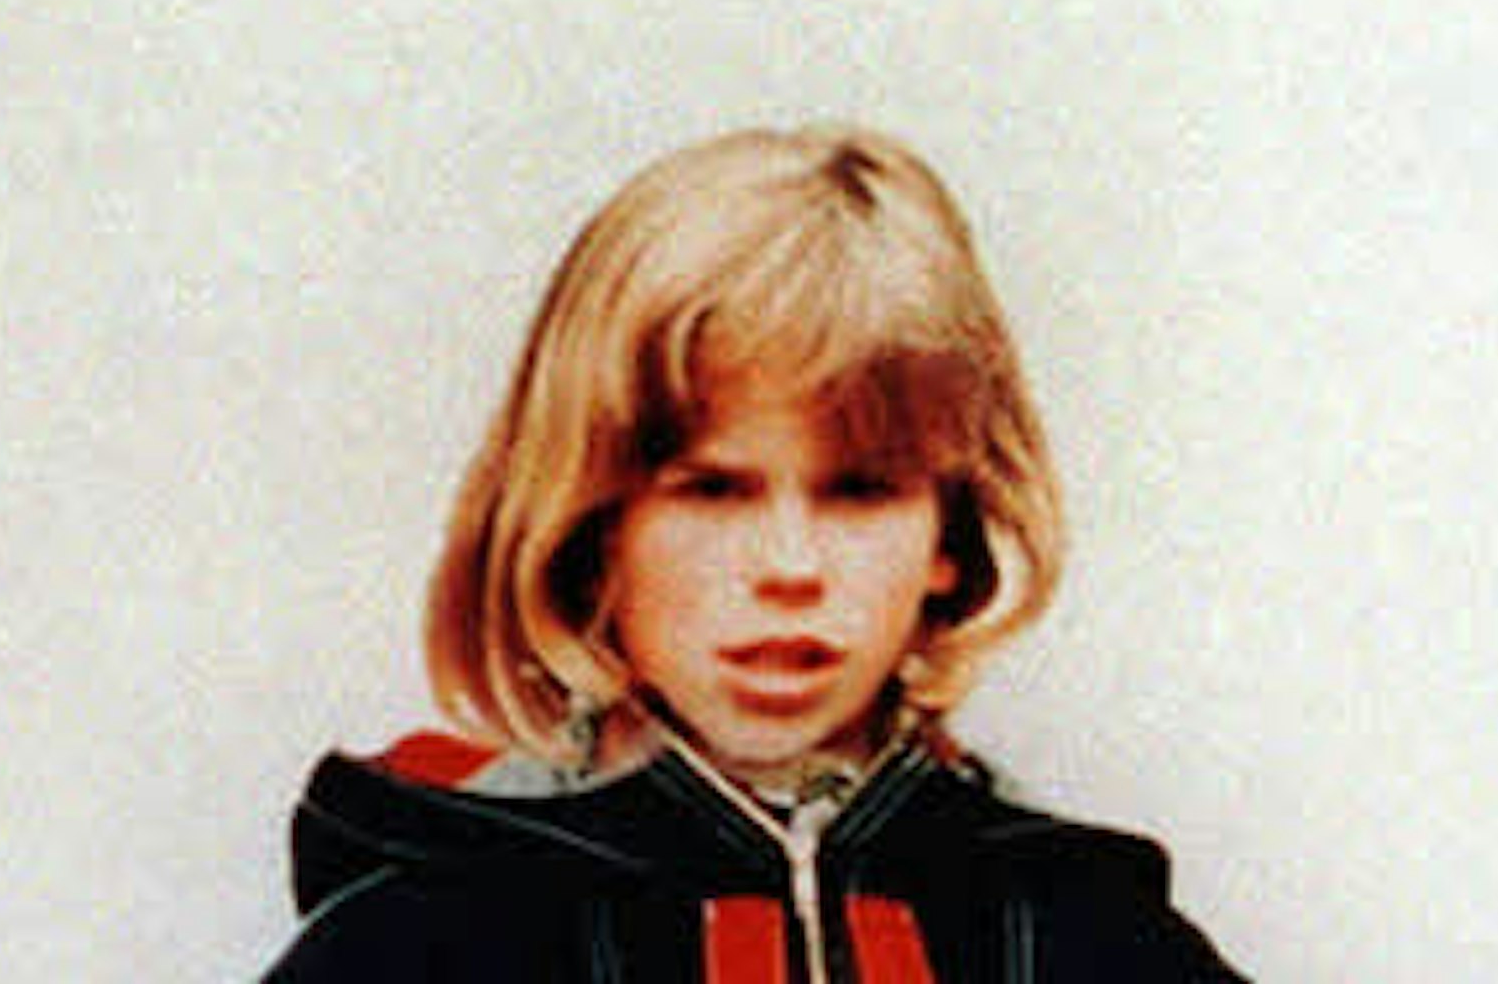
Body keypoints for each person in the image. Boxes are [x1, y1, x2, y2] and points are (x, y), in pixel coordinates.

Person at [266, 125, 1247, 982]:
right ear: (592, 527)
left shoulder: (1088, 938)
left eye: (859, 491)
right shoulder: (426, 938)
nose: (789, 567)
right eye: (713, 489)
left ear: (951, 534)